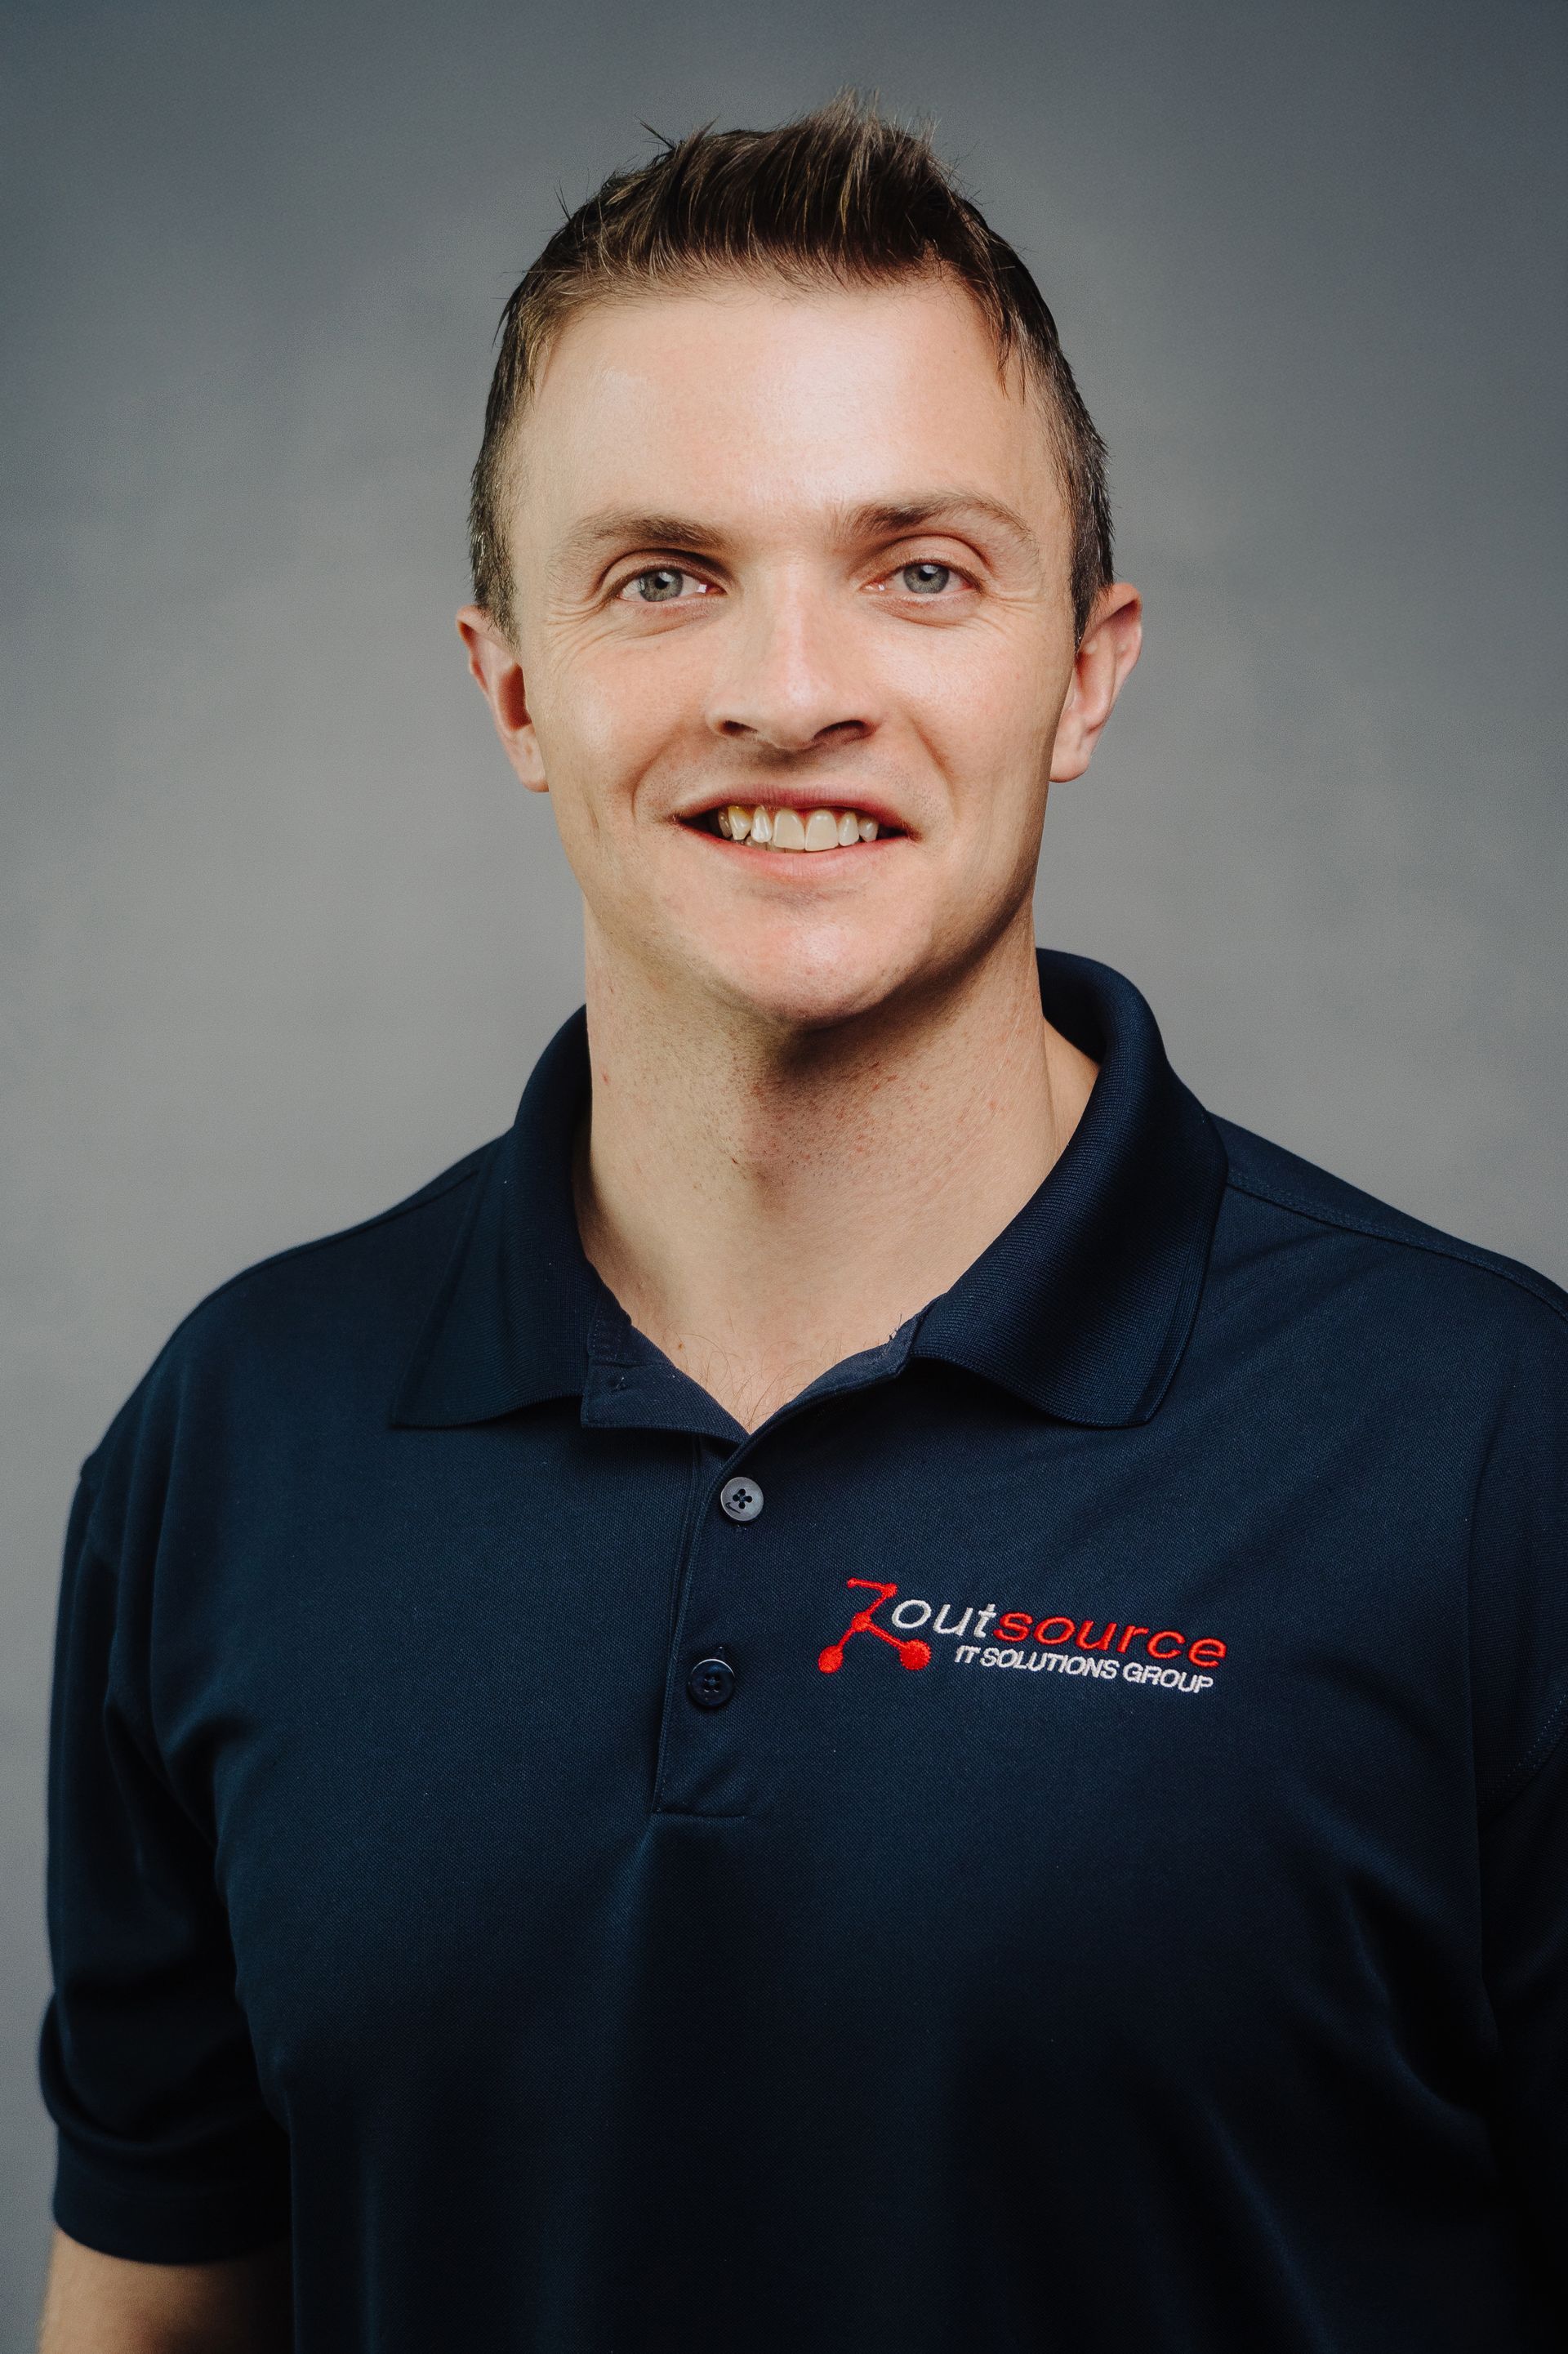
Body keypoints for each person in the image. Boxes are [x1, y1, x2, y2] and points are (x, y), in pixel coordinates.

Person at [36, 92, 1568, 2354]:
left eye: (922, 568)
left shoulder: (1491, 1452)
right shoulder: (234, 1445)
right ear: (516, 689)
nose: (789, 686)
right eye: (664, 572)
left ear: (1088, 668)